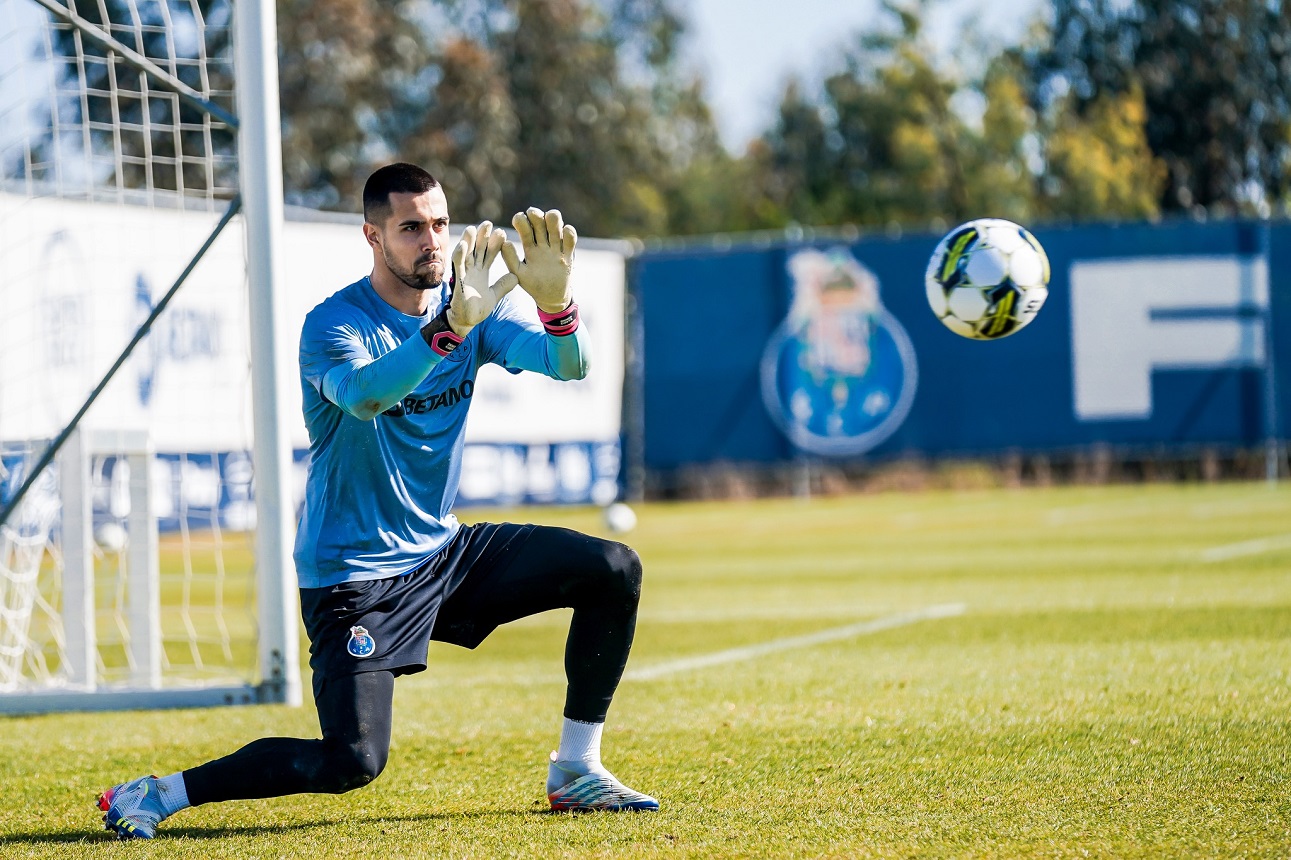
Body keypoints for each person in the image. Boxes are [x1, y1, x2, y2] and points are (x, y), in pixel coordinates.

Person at [96, 162, 657, 840]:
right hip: (354, 576)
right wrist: (448, 328)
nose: (432, 241)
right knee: (352, 761)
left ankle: (576, 769)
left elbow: (570, 365)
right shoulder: (334, 323)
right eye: (411, 228)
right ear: (373, 236)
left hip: (442, 553)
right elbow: (366, 397)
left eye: (440, 224)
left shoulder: (470, 303)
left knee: (612, 568)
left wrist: (557, 306)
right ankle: (159, 792)